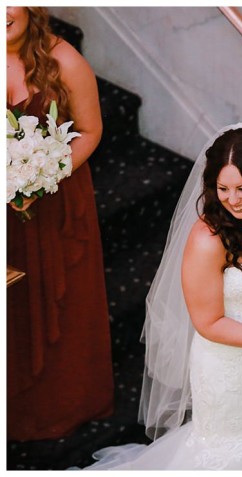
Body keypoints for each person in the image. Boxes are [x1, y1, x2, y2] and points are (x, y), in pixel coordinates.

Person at [85, 124, 242, 469]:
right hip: (230, 367)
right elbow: (208, 322)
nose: (232, 199)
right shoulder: (208, 239)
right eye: (223, 188)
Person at [6, 6, 114, 440]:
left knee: (59, 300)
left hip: (54, 201)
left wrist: (41, 177)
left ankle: (61, 405)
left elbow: (90, 131)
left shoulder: (66, 61)